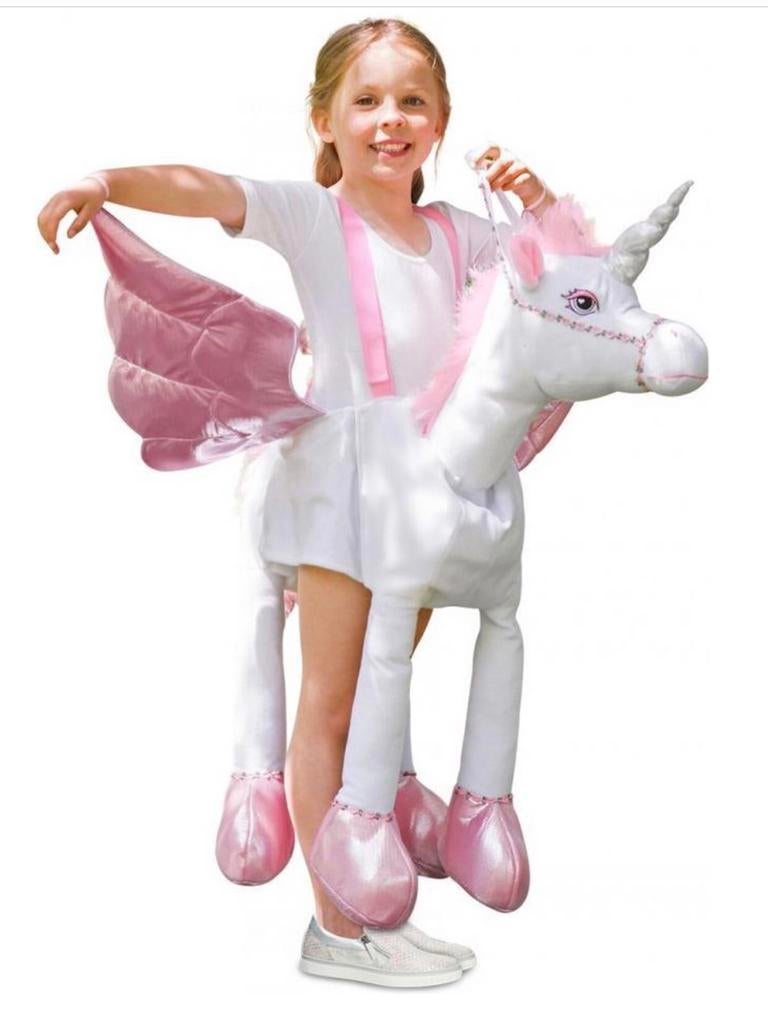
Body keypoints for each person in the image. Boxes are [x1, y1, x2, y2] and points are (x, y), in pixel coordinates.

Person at [37, 16, 556, 988]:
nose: (390, 118)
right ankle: (338, 926)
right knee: (333, 703)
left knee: (376, 695)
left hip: (425, 503)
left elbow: (566, 280)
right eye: (366, 100)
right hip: (339, 494)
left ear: (441, 121)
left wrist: (539, 202)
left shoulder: (463, 234)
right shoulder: (316, 217)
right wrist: (107, 181)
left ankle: (365, 908)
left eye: (412, 101)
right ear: (324, 119)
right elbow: (206, 186)